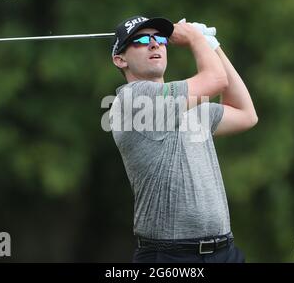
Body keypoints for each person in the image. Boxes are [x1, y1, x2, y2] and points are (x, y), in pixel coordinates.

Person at [109, 15, 258, 263]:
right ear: (120, 59)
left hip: (225, 251)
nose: (154, 44)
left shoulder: (189, 107)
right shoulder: (134, 99)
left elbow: (245, 114)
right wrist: (195, 39)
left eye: (159, 39)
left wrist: (213, 46)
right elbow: (216, 80)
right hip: (171, 256)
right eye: (141, 40)